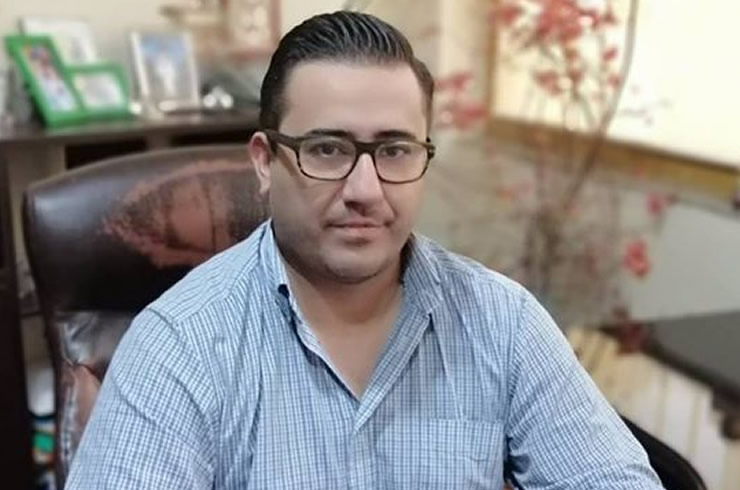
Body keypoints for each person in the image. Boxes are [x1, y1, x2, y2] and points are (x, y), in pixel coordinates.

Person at [67, 11, 664, 489]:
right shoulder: (180, 345)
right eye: (327, 150)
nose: (365, 190)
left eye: (395, 151)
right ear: (265, 163)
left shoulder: (501, 321)